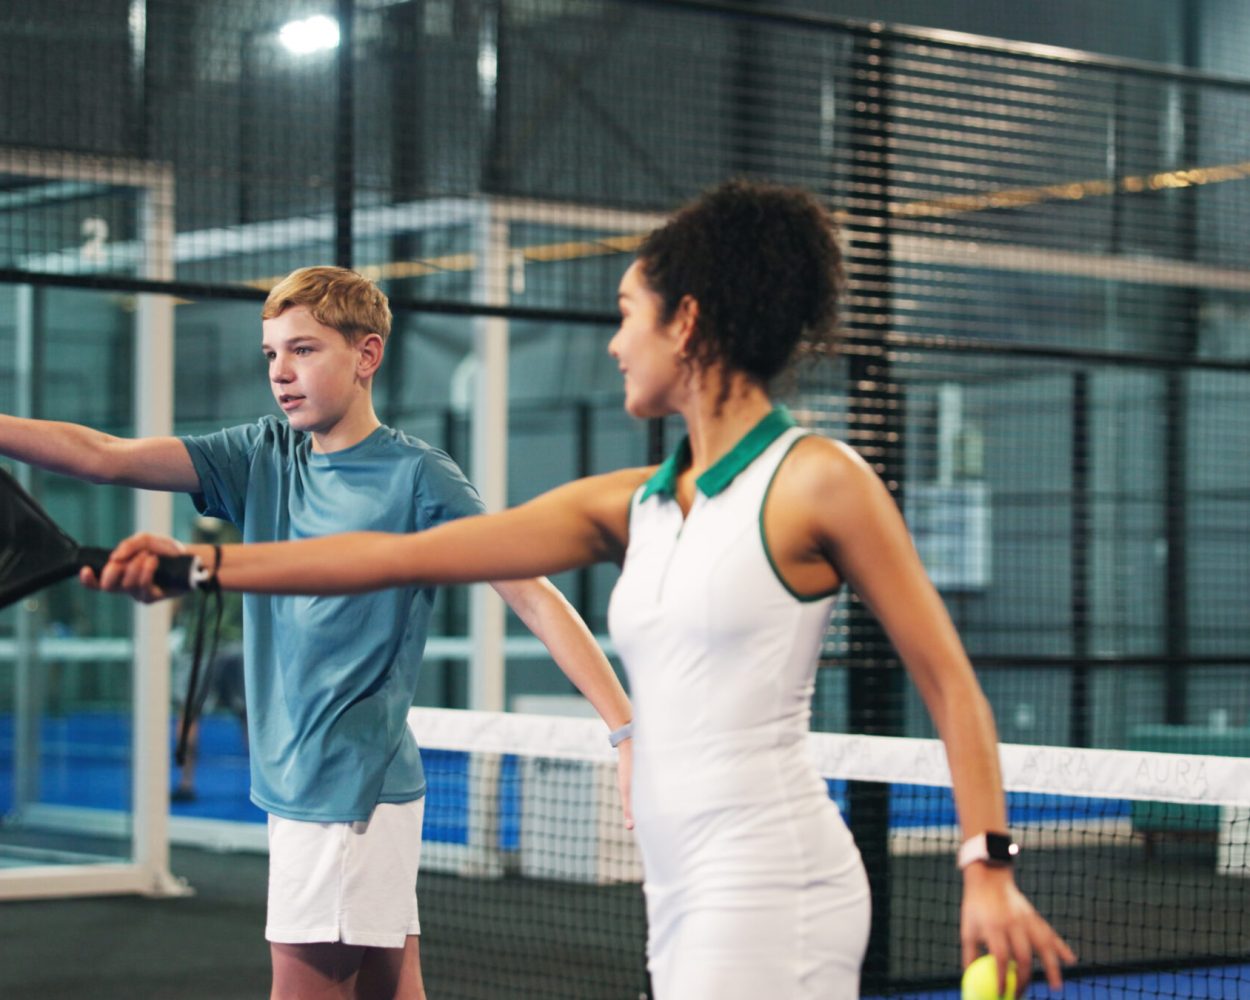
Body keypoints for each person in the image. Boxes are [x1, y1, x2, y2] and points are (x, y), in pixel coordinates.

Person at [91, 182, 1075, 999]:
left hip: (773, 870)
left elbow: (950, 683)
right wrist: (201, 565)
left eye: (624, 315)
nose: (611, 343)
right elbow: (389, 556)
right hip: (677, 877)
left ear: (685, 324)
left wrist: (984, 861)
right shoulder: (632, 501)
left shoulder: (820, 478)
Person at [1, 265, 633, 1000]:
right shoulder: (262, 455)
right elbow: (101, 457)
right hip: (311, 784)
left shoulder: (419, 477)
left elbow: (530, 591)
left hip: (346, 786)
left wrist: (624, 730)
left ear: (366, 356)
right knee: (390, 991)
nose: (281, 372)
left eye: (303, 350)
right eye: (271, 354)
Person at [169, 516, 247, 803]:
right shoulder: (242, 549)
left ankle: (185, 783)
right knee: (249, 716)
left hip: (200, 645)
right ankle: (260, 784)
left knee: (189, 713)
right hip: (239, 643)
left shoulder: (193, 556)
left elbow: (176, 603)